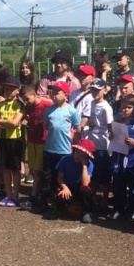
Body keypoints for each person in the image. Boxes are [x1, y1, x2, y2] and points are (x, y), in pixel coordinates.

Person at [40, 81, 81, 218]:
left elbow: (77, 127)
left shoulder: (71, 111)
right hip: (49, 149)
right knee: (48, 177)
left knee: (63, 178)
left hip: (64, 151)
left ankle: (63, 204)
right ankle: (47, 204)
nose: (54, 95)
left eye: (57, 92)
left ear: (66, 94)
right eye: (52, 92)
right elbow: (46, 126)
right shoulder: (49, 110)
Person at [111, 95, 134, 221]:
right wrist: (111, 136)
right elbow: (113, 137)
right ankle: (118, 209)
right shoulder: (119, 122)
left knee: (133, 186)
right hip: (119, 157)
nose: (125, 110)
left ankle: (133, 210)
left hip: (133, 159)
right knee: (118, 185)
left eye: (129, 107)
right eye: (124, 107)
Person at [0, 76, 23, 206]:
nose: (8, 91)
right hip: (1, 139)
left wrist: (1, 121)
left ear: (18, 90)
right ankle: (8, 195)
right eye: (6, 89)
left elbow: (14, 123)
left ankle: (16, 195)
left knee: (15, 169)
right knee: (5, 169)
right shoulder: (0, 104)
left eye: (11, 89)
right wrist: (5, 124)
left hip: (14, 140)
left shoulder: (19, 105)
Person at [19, 84, 52, 209]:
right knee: (33, 168)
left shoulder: (46, 104)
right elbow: (27, 117)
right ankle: (39, 194)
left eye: (27, 99)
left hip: (43, 140)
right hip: (32, 139)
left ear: (34, 94)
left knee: (38, 170)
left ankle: (33, 197)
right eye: (24, 100)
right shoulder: (27, 107)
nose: (26, 102)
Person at [82, 79, 113, 209]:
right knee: (93, 174)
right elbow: (90, 120)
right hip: (92, 144)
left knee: (104, 176)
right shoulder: (92, 103)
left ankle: (105, 200)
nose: (95, 92)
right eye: (93, 89)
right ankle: (93, 199)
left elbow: (110, 127)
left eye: (97, 90)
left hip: (102, 146)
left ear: (104, 90)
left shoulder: (106, 107)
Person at [55, 138, 97, 223]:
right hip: (68, 186)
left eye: (83, 154)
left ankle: (87, 212)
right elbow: (60, 177)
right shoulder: (65, 159)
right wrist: (64, 188)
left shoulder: (89, 164)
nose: (78, 155)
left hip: (80, 186)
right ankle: (59, 210)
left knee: (85, 190)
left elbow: (85, 183)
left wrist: (84, 166)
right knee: (60, 197)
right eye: (78, 151)